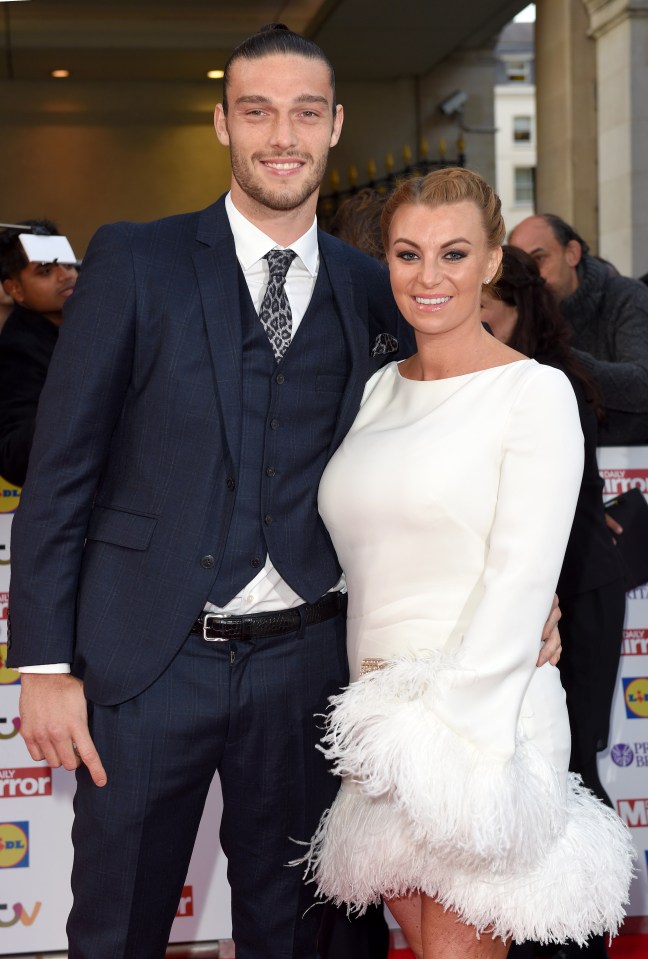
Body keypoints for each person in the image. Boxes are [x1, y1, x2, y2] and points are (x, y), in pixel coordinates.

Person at [7, 26, 562, 959]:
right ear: (223, 122)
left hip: (310, 670)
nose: (282, 134)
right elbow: (61, 472)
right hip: (148, 661)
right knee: (116, 926)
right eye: (257, 110)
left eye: (306, 112)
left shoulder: (375, 283)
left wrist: (528, 589)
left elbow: (447, 439)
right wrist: (45, 665)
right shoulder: (135, 262)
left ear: (335, 124)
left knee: (304, 933)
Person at [305, 169, 634, 959]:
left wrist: (447, 739)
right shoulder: (381, 389)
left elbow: (523, 575)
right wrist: (386, 727)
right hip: (380, 722)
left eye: (454, 253)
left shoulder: (534, 393)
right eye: (407, 253)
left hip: (476, 728)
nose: (429, 277)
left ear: (492, 262)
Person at [481, 245, 626, 959]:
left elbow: (560, 518)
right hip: (536, 600)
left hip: (575, 601)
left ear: (523, 309)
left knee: (572, 771)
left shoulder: (555, 384)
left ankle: (580, 933)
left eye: (490, 313)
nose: (474, 325)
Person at [509, 214, 648, 445]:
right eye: (525, 267)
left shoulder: (628, 298)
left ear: (572, 253)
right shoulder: (518, 311)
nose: (533, 276)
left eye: (539, 258)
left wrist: (562, 360)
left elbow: (642, 385)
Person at [0, 219, 78, 486]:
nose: (65, 275)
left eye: (67, 264)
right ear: (14, 289)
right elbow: (13, 455)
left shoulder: (89, 323)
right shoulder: (17, 350)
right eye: (45, 271)